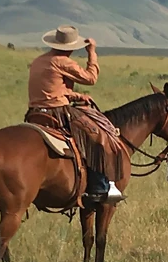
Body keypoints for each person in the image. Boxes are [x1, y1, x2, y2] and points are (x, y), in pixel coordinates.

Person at [26, 25, 125, 203]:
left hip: (34, 112)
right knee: (99, 135)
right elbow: (91, 78)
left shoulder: (39, 60)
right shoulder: (63, 62)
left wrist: (78, 96)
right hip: (58, 112)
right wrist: (92, 52)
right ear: (71, 47)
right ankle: (100, 187)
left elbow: (52, 89)